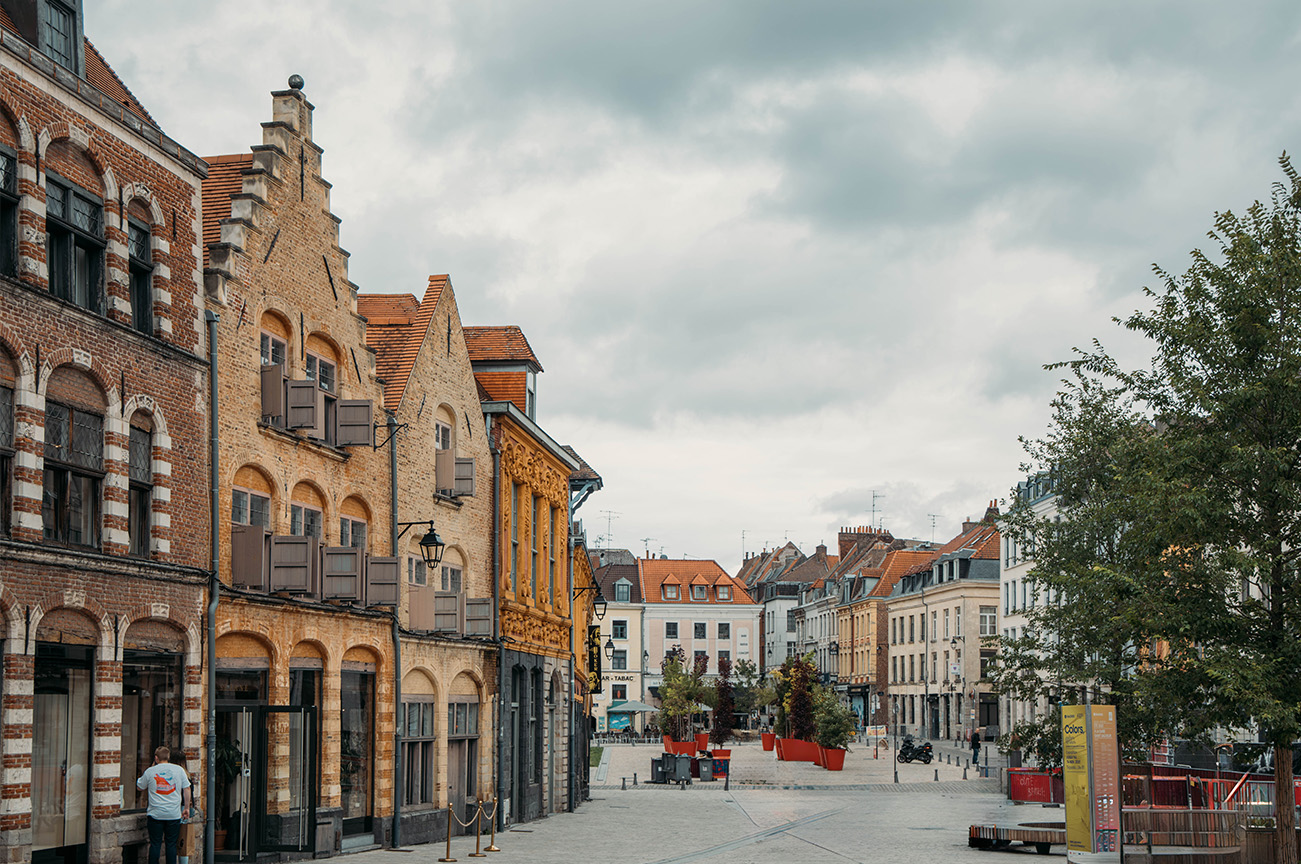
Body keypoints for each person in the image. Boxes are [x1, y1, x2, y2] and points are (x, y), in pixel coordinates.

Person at [137, 746, 191, 864]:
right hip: (173, 814)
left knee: (155, 844)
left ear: (156, 758)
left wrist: (151, 769)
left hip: (155, 814)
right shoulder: (179, 770)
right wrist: (186, 808)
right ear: (168, 757)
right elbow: (187, 788)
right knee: (171, 844)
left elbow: (140, 786)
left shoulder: (150, 771)